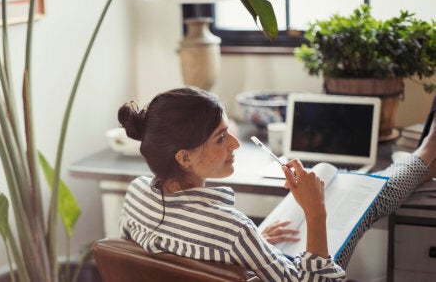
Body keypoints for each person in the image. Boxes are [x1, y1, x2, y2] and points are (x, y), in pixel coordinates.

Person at [117, 87, 436, 281]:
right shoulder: (233, 231)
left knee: (367, 192)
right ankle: (426, 151)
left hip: (250, 256)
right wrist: (315, 213)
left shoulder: (136, 194)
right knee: (366, 203)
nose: (235, 144)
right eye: (220, 138)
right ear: (184, 158)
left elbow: (162, 260)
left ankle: (423, 157)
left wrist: (246, 250)